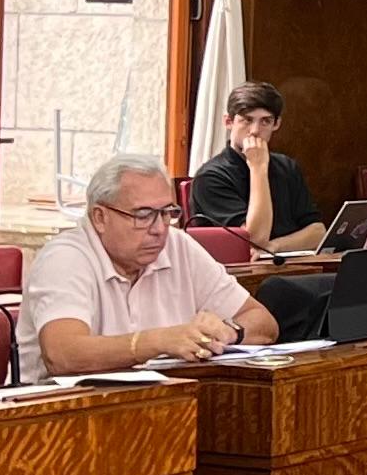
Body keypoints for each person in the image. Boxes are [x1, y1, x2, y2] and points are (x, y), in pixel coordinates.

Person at [23, 153, 276, 377]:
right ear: (100, 217)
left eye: (166, 213)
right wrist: (159, 341)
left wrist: (229, 332)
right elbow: (63, 355)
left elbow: (264, 323)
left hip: (167, 401)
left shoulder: (177, 245)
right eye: (143, 215)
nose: (158, 229)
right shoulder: (65, 258)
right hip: (67, 410)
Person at [191, 80, 326, 252]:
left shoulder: (287, 167)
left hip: (286, 259)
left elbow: (317, 231)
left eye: (265, 121)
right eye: (247, 120)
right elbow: (254, 240)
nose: (255, 130)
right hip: (239, 266)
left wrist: (274, 246)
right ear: (229, 122)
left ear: (276, 124)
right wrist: (258, 168)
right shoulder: (210, 177)